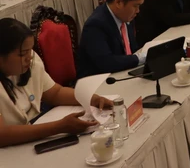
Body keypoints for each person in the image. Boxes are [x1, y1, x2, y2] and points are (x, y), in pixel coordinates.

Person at [0, 18, 114, 147]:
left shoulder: (31, 62)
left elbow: (55, 93)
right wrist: (59, 127)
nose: (29, 57)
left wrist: (93, 99)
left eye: (30, 50)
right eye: (22, 54)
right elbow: (2, 135)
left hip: (33, 135)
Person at [77, 0, 146, 78]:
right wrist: (139, 58)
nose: (138, 10)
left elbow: (132, 50)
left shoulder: (126, 16)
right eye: (135, 6)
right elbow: (107, 63)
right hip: (99, 82)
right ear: (118, 2)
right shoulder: (95, 25)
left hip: (124, 74)